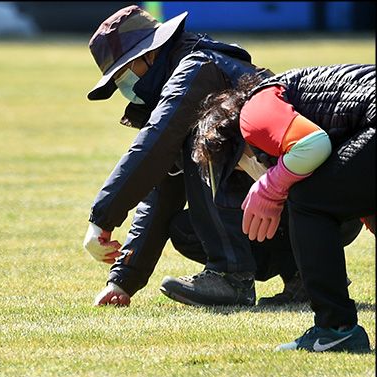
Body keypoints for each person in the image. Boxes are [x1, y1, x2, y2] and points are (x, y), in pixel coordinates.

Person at [82, 5, 299, 308]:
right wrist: (123, 280)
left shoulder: (197, 67)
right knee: (185, 229)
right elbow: (160, 189)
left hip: (306, 201)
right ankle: (304, 276)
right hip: (300, 207)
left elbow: (156, 143)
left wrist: (102, 218)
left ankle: (231, 276)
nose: (123, 88)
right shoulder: (191, 71)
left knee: (203, 142)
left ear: (151, 53)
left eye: (124, 74)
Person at [190, 64, 375, 352]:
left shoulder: (252, 112)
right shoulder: (295, 99)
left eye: (237, 172)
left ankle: (335, 328)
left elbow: (312, 145)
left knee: (308, 200)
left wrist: (271, 187)